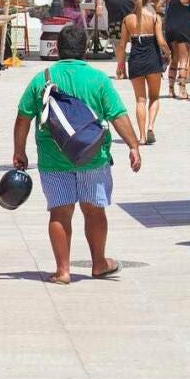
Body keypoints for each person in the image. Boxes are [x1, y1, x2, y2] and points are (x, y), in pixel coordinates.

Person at [13, 24, 144, 285]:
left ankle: (63, 271)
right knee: (94, 212)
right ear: (84, 50)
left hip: (53, 159)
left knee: (59, 214)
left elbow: (23, 118)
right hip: (92, 156)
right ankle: (99, 263)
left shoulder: (42, 79)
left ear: (57, 48)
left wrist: (20, 151)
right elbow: (117, 114)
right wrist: (133, 145)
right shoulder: (98, 79)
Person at [117, 0, 167, 145]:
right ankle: (150, 126)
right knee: (154, 97)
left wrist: (120, 65)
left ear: (134, 1)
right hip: (153, 59)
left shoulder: (127, 20)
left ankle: (142, 136)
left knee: (140, 100)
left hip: (135, 60)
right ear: (149, 1)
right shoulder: (155, 18)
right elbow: (161, 41)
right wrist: (168, 53)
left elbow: (122, 44)